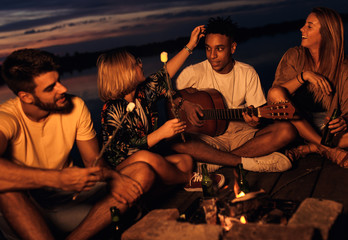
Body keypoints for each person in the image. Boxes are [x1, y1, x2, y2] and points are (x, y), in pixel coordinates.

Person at [0, 49, 155, 240]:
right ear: (26, 97)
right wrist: (56, 178)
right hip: (30, 212)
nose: (62, 89)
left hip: (72, 197)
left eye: (59, 80)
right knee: (6, 190)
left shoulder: (75, 106)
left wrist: (112, 176)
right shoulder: (6, 118)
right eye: (51, 88)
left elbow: (93, 160)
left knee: (142, 171)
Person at [172, 16, 297, 188]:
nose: (212, 56)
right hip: (208, 137)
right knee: (175, 143)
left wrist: (255, 122)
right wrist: (185, 104)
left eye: (219, 49)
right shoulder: (193, 72)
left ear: (233, 47)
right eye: (208, 49)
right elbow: (169, 96)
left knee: (287, 130)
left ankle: (215, 162)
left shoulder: (247, 73)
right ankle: (246, 162)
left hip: (241, 134)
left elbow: (258, 117)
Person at [97, 26, 224, 189]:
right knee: (146, 157)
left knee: (185, 161)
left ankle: (161, 190)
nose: (141, 64)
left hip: (149, 159)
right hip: (121, 171)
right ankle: (191, 179)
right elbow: (128, 148)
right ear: (124, 73)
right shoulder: (111, 109)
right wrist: (161, 133)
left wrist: (191, 45)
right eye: (136, 63)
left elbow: (165, 73)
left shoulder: (143, 93)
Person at [268, 7, 348, 167]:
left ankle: (313, 147)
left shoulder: (343, 67)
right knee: (276, 93)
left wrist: (344, 120)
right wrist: (303, 76)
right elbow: (274, 97)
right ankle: (327, 149)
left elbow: (347, 109)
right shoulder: (294, 56)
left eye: (309, 26)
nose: (301, 29)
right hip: (295, 126)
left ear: (326, 33)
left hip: (327, 131)